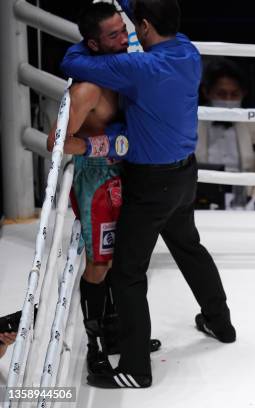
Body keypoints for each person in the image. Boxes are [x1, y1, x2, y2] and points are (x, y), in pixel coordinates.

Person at [61, 0, 235, 388]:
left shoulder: (138, 67)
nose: (126, 36)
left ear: (143, 26)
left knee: (126, 273)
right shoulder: (188, 50)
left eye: (129, 27)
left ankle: (137, 369)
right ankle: (220, 324)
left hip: (150, 184)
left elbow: (74, 63)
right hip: (186, 175)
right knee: (189, 246)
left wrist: (87, 43)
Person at [47, 2, 162, 377]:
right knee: (99, 264)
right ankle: (94, 347)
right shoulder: (87, 89)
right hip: (97, 177)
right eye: (113, 35)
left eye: (123, 30)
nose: (124, 39)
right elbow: (57, 140)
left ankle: (117, 334)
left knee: (122, 257)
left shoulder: (124, 70)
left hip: (127, 171)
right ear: (93, 45)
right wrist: (105, 145)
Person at [195, 58, 255, 208]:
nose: (228, 100)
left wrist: (253, 204)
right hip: (199, 203)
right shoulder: (191, 122)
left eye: (234, 94)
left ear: (243, 93)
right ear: (206, 92)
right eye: (221, 94)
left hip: (245, 203)